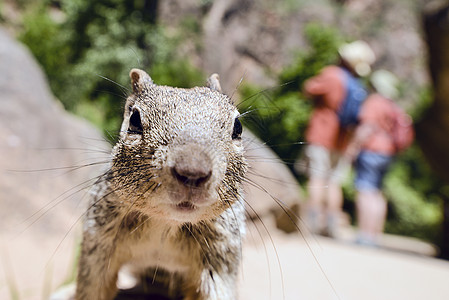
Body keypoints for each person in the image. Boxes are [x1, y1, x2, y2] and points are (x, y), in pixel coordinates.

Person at [298, 40, 376, 237]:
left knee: (316, 177)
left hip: (321, 134)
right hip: (342, 140)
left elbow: (308, 88)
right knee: (333, 182)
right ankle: (331, 225)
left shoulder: (332, 74)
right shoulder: (357, 84)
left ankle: (312, 223)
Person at [344, 69, 401, 246]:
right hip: (387, 152)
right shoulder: (391, 105)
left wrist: (352, 148)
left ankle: (364, 235)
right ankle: (375, 235)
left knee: (364, 191)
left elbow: (366, 127)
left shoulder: (374, 102)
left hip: (371, 150)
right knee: (376, 193)